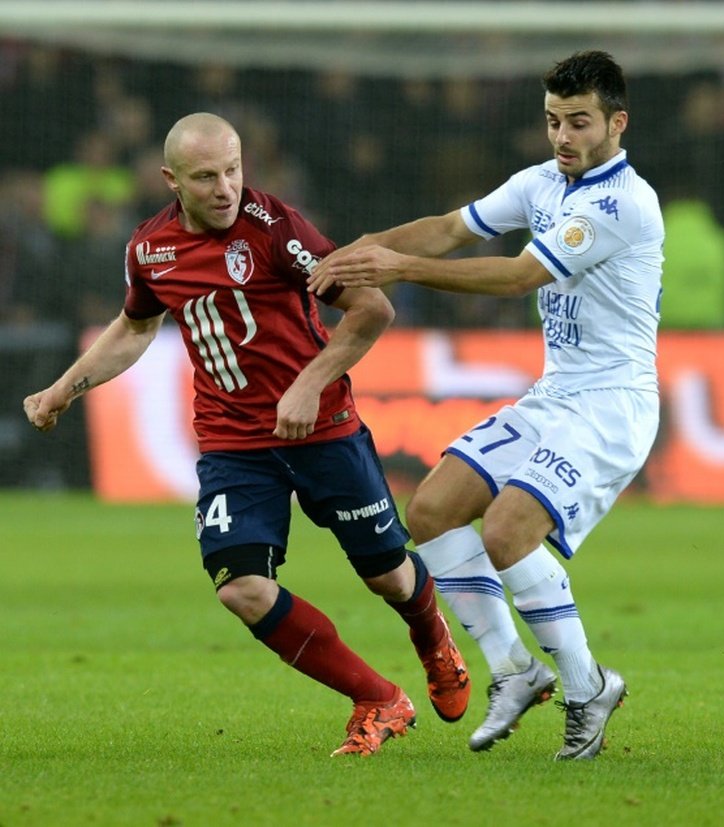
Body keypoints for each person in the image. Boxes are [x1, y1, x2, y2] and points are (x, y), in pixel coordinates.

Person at [22, 112, 471, 757]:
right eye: (206, 177)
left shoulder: (277, 230)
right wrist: (65, 388)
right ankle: (377, 699)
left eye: (233, 169)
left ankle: (432, 638)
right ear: (170, 180)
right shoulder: (149, 248)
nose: (226, 187)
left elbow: (373, 308)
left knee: (389, 578)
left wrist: (309, 385)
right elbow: (135, 327)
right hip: (234, 442)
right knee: (241, 587)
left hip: (323, 430)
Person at [307, 51, 664, 760]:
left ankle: (587, 683)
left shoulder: (621, 201)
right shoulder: (540, 182)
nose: (562, 136)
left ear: (617, 123)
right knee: (432, 510)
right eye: (553, 120)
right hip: (556, 393)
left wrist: (399, 268)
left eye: (579, 122)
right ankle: (513, 669)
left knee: (506, 532)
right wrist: (357, 251)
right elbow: (449, 227)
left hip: (612, 405)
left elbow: (517, 274)